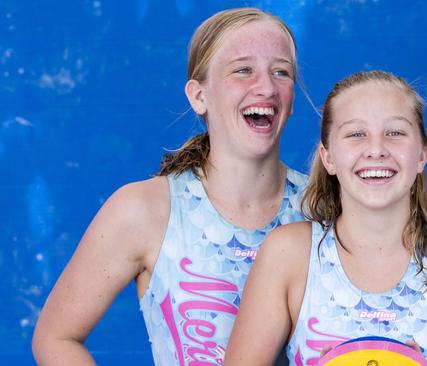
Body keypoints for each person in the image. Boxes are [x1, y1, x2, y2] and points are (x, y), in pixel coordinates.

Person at [32, 8, 307, 366]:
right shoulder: (144, 209)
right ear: (198, 95)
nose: (267, 87)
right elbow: (55, 338)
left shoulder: (326, 208)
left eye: (281, 72)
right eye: (243, 70)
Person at [224, 70, 427, 365]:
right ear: (328, 157)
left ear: (423, 154)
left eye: (395, 133)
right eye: (356, 134)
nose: (376, 149)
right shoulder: (287, 254)